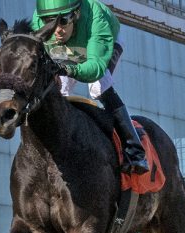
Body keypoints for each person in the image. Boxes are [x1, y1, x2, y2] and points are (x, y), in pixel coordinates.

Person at [31, 0, 149, 174]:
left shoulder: (96, 20)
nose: (57, 30)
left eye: (63, 20)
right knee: (58, 91)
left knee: (99, 87)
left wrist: (68, 69)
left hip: (99, 44)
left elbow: (95, 68)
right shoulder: (37, 22)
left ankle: (135, 152)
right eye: (49, 22)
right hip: (68, 48)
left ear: (76, 14)